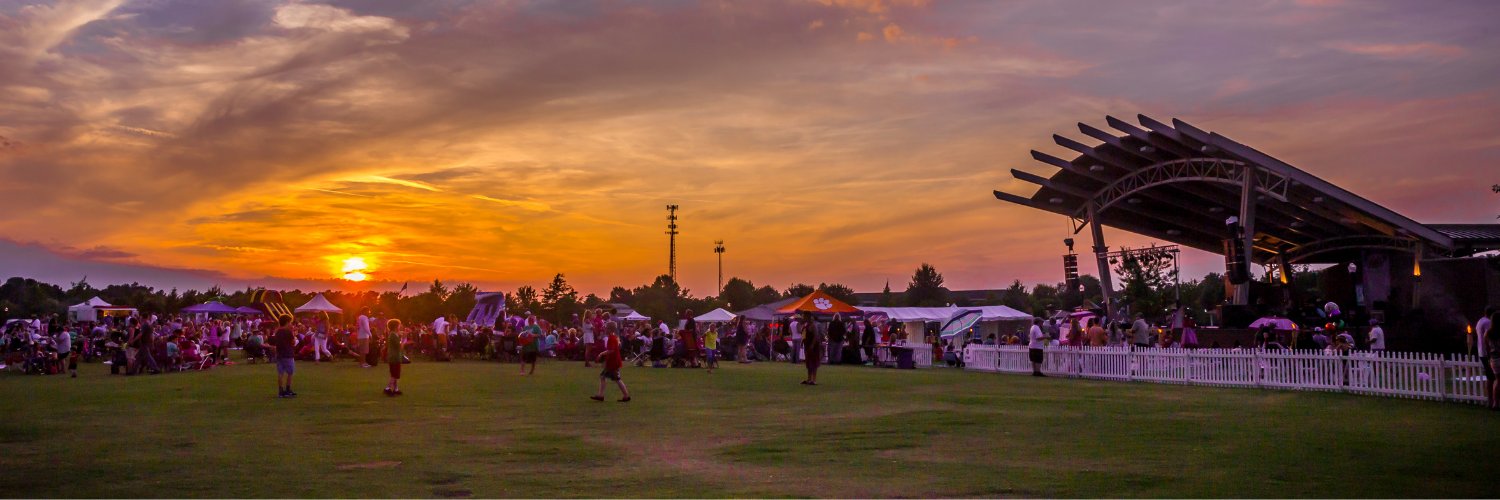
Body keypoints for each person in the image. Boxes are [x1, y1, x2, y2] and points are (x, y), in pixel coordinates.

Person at [592, 322, 631, 402]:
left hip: (613, 363)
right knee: (603, 377)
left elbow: (611, 350)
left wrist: (601, 354)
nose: (604, 329)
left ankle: (626, 396)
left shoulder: (611, 338)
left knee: (616, 379)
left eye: (606, 328)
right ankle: (601, 395)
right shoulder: (613, 337)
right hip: (612, 362)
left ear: (609, 329)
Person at [270, 314, 297, 398]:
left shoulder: (277, 331)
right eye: (290, 322)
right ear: (287, 322)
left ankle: (281, 391)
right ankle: (288, 389)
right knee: (290, 373)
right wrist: (294, 335)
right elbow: (293, 342)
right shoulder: (288, 332)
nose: (291, 324)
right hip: (288, 354)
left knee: (280, 373)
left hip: (279, 354)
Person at [1477, 307, 1494, 409]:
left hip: (1481, 351)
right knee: (1491, 377)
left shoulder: (1480, 321)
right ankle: (1491, 400)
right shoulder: (1488, 322)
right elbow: (1488, 337)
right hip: (1487, 352)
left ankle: (1490, 400)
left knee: (1489, 376)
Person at [384, 319, 404, 396]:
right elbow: (399, 346)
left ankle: (396, 388)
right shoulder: (393, 335)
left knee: (395, 373)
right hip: (394, 357)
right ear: (396, 326)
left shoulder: (393, 334)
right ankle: (388, 388)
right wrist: (404, 340)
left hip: (393, 356)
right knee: (395, 374)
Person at [800, 313, 821, 386]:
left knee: (814, 362)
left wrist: (812, 345)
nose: (802, 317)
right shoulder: (806, 325)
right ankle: (809, 379)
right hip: (807, 345)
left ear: (808, 317)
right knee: (808, 363)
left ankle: (814, 379)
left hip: (813, 347)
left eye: (804, 316)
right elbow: (803, 334)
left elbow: (816, 336)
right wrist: (802, 342)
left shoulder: (813, 325)